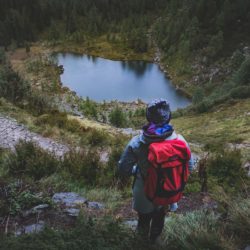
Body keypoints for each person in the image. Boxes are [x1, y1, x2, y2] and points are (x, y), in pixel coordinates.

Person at [118, 99, 194, 242]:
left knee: (144, 221)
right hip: (168, 190)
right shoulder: (180, 141)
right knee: (160, 217)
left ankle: (141, 243)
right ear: (169, 116)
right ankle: (155, 241)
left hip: (144, 191)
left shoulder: (138, 142)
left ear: (148, 118)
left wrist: (137, 170)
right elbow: (189, 166)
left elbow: (123, 169)